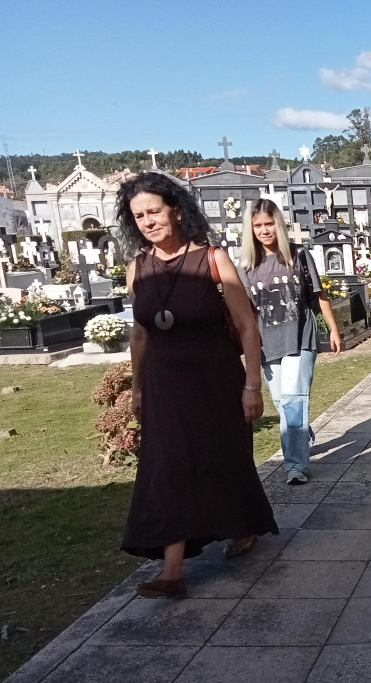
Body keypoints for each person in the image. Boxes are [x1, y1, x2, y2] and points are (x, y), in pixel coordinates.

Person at [116, 172, 278, 598]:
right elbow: (141, 334)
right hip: (164, 382)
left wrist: (252, 385)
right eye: (138, 216)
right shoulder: (138, 268)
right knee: (168, 466)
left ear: (175, 209)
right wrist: (137, 387)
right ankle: (172, 572)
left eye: (153, 211)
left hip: (214, 379)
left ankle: (242, 524)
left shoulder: (213, 259)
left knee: (221, 457)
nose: (147, 221)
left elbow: (246, 325)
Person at [237, 199, 342, 485]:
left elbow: (318, 294)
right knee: (282, 401)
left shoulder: (298, 255)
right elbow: (245, 312)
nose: (264, 230)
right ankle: (301, 433)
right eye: (257, 226)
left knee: (294, 400)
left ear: (279, 224)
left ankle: (295, 465)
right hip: (266, 344)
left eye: (269, 224)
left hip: (300, 337)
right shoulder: (246, 267)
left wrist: (332, 329)